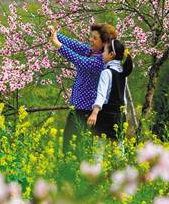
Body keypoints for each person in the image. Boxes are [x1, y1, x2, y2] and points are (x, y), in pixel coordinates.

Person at [48, 23, 116, 155]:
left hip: (86, 112)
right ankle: (68, 171)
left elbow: (79, 61)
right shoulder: (91, 51)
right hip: (77, 108)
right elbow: (73, 44)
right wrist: (54, 33)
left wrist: (57, 44)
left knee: (77, 149)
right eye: (91, 37)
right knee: (68, 146)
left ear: (104, 43)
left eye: (95, 38)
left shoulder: (100, 61)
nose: (91, 40)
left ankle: (76, 173)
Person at [87, 39, 133, 140]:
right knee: (120, 149)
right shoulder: (123, 73)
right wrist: (124, 115)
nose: (102, 54)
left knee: (99, 150)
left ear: (111, 54)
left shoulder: (106, 73)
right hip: (120, 115)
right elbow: (123, 98)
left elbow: (101, 95)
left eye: (104, 51)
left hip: (106, 115)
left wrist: (94, 114)